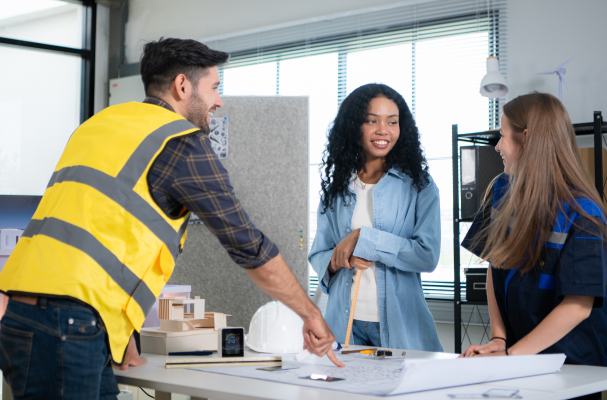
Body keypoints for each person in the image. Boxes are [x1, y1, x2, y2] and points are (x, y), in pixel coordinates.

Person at [0, 38, 342, 400]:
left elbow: (100, 232)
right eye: (214, 88)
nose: (219, 101)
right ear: (183, 86)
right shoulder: (179, 142)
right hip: (67, 326)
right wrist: (309, 314)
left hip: (29, 317)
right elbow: (248, 245)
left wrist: (119, 332)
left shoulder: (99, 125)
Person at [462, 92, 607, 368]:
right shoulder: (499, 192)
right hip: (517, 355)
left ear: (526, 138)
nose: (497, 147)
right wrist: (499, 339)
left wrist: (512, 355)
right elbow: (495, 266)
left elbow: (578, 305)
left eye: (502, 136)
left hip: (572, 363)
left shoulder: (583, 213)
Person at [308, 83, 443, 351]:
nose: (383, 130)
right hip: (343, 322)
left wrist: (363, 237)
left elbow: (427, 255)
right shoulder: (336, 187)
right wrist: (337, 260)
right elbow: (318, 254)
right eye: (372, 120)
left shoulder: (420, 185)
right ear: (354, 126)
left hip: (399, 323)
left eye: (392, 122)